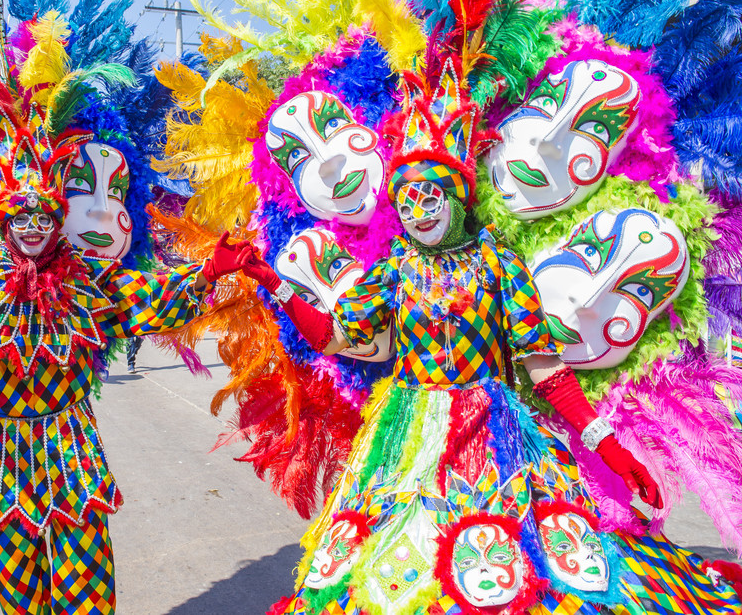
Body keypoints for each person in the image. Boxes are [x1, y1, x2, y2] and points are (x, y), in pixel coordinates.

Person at [233, 61, 740, 613]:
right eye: (407, 200)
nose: (418, 212)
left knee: (515, 570)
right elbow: (333, 338)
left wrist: (609, 447)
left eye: (431, 198)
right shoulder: (392, 272)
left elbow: (544, 369)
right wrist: (272, 284)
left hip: (494, 434)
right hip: (405, 438)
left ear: (456, 198)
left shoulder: (498, 267)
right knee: (393, 566)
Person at [0, 112, 246, 614]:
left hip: (70, 450)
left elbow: (142, 299)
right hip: (0, 454)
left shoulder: (83, 276)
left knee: (83, 581)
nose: (32, 228)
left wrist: (207, 272)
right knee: (18, 588)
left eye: (42, 217)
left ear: (55, 219)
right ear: (3, 221)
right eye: (20, 218)